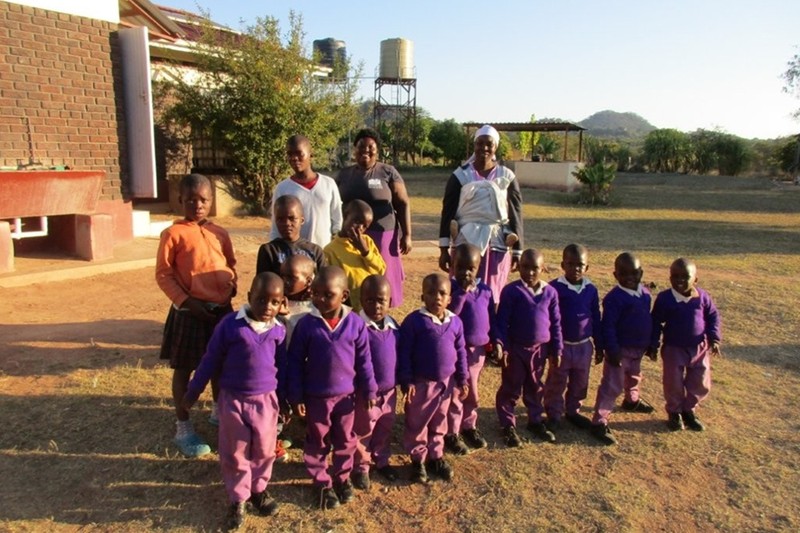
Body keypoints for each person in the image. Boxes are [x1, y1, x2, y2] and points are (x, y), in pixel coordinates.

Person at [182, 272, 286, 531]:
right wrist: (194, 390)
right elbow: (210, 359)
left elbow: (283, 367)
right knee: (236, 451)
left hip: (266, 401)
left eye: (274, 302)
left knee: (264, 448)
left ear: (282, 303)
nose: (267, 307)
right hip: (234, 401)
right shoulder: (230, 326)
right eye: (261, 300)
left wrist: (287, 399)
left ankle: (259, 489)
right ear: (249, 297)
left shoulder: (279, 331)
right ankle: (239, 498)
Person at [156, 173, 237, 457]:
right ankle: (183, 426)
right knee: (184, 368)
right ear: (180, 201)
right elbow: (164, 275)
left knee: (221, 365)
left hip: (221, 311)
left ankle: (218, 412)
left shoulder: (220, 232)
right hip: (190, 312)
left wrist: (232, 284)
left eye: (203, 199)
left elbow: (231, 263)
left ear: (211, 201)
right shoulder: (173, 234)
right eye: (191, 200)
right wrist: (187, 302)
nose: (197, 205)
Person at [287, 266, 378, 510]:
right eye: (315, 293)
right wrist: (295, 396)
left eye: (328, 295)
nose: (319, 299)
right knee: (317, 440)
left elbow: (364, 360)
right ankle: (321, 481)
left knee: (345, 440)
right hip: (316, 397)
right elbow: (294, 361)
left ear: (344, 295)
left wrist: (369, 389)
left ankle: (342, 478)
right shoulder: (306, 325)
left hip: (346, 398)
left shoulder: (355, 324)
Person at [439, 124, 523, 303]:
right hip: (465, 241)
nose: (484, 148)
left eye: (489, 144)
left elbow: (516, 212)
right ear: (474, 145)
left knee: (493, 292)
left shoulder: (506, 176)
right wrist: (443, 249)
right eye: (480, 143)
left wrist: (518, 251)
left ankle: (487, 326)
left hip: (496, 244)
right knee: (462, 287)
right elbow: (447, 212)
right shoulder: (461, 175)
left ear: (496, 147)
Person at [398, 273, 469, 484]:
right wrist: (407, 380)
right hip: (421, 383)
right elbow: (404, 353)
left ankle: (436, 456)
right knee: (417, 422)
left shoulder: (455, 322)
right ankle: (418, 459)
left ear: (449, 299)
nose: (436, 297)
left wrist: (463, 378)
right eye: (430, 292)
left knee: (440, 420)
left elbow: (461, 351)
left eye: (442, 293)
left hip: (446, 384)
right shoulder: (414, 322)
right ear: (422, 296)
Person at [336, 128, 412, 308]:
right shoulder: (344, 174)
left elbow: (402, 203)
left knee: (381, 274)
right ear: (354, 149)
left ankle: (380, 315)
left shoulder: (388, 172)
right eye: (361, 147)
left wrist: (407, 235)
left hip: (383, 235)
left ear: (378, 150)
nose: (366, 151)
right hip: (352, 235)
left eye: (371, 147)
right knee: (355, 274)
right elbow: (334, 204)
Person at [495, 249, 562, 447]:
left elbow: (556, 322)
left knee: (535, 386)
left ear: (543, 268)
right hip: (516, 349)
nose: (530, 273)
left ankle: (535, 420)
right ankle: (507, 425)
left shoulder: (550, 292)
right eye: (525, 267)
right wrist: (502, 347)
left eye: (535, 268)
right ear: (518, 267)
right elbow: (502, 322)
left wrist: (557, 349)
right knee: (511, 387)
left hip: (539, 350)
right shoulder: (511, 291)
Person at [648, 258, 721, 432]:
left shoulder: (702, 297)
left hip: (699, 347)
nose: (679, 280)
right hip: (674, 348)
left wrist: (714, 338)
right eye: (675, 276)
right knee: (673, 383)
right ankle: (674, 412)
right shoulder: (666, 298)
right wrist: (653, 344)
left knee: (701, 382)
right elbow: (656, 321)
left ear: (695, 279)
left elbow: (713, 316)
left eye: (685, 276)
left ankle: (689, 409)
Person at [589, 252, 655, 446]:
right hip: (619, 350)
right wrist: (612, 349)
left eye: (634, 273)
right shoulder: (614, 298)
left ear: (641, 273)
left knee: (634, 377)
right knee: (612, 385)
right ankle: (599, 421)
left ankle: (631, 400)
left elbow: (647, 320)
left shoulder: (645, 294)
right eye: (623, 273)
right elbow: (607, 325)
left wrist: (651, 344)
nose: (629, 278)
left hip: (638, 348)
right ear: (615, 275)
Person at [444, 243, 500, 455]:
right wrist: (462, 293)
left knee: (473, 392)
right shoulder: (449, 289)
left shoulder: (485, 290)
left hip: (478, 352)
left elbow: (492, 319)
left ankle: (469, 425)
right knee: (458, 392)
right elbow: (450, 316)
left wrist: (497, 341)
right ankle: (452, 431)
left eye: (471, 268)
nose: (465, 273)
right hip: (457, 351)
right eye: (460, 267)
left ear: (479, 268)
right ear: (452, 266)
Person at [543, 244, 602, 431]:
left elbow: (595, 315)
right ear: (562, 264)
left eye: (580, 265)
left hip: (584, 345)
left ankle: (573, 410)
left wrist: (599, 344)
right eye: (570, 264)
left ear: (587, 267)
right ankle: (553, 413)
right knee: (556, 380)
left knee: (580, 380)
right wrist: (552, 346)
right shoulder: (554, 288)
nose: (575, 268)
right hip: (563, 346)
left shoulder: (590, 289)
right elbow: (550, 319)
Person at [352, 275, 400, 490]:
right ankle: (361, 466)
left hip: (389, 391)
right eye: (370, 300)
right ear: (361, 300)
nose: (376, 305)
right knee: (363, 429)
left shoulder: (394, 327)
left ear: (389, 301)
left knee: (385, 426)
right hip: (365, 394)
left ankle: (381, 459)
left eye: (381, 300)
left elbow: (400, 355)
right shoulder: (356, 327)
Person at [269, 134, 342, 248]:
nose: (294, 158)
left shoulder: (328, 184)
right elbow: (275, 227)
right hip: (294, 256)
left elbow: (337, 220)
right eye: (290, 154)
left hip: (324, 253)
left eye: (299, 153)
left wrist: (334, 247)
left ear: (310, 155)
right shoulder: (282, 188)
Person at [323, 199, 386, 312]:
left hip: (372, 308)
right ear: (345, 215)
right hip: (349, 309)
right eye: (357, 221)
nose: (360, 228)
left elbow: (381, 270)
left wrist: (365, 251)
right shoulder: (330, 251)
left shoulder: (367, 242)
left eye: (365, 226)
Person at [257, 195, 325, 276]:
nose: (286, 223)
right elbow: (264, 283)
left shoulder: (315, 251)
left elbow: (322, 283)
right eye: (280, 219)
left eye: (292, 218)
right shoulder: (269, 251)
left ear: (302, 220)